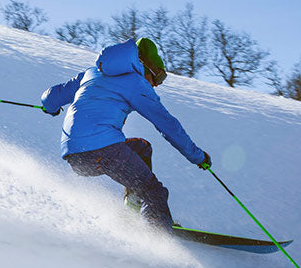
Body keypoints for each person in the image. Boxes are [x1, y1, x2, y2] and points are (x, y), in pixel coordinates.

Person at [41, 37, 212, 233]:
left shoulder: (92, 73)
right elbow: (167, 125)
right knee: (153, 191)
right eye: (158, 78)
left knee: (141, 147)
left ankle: (132, 211)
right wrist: (197, 156)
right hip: (103, 149)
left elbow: (51, 97)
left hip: (75, 156)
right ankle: (157, 235)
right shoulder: (136, 83)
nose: (156, 85)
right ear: (146, 67)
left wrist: (51, 108)